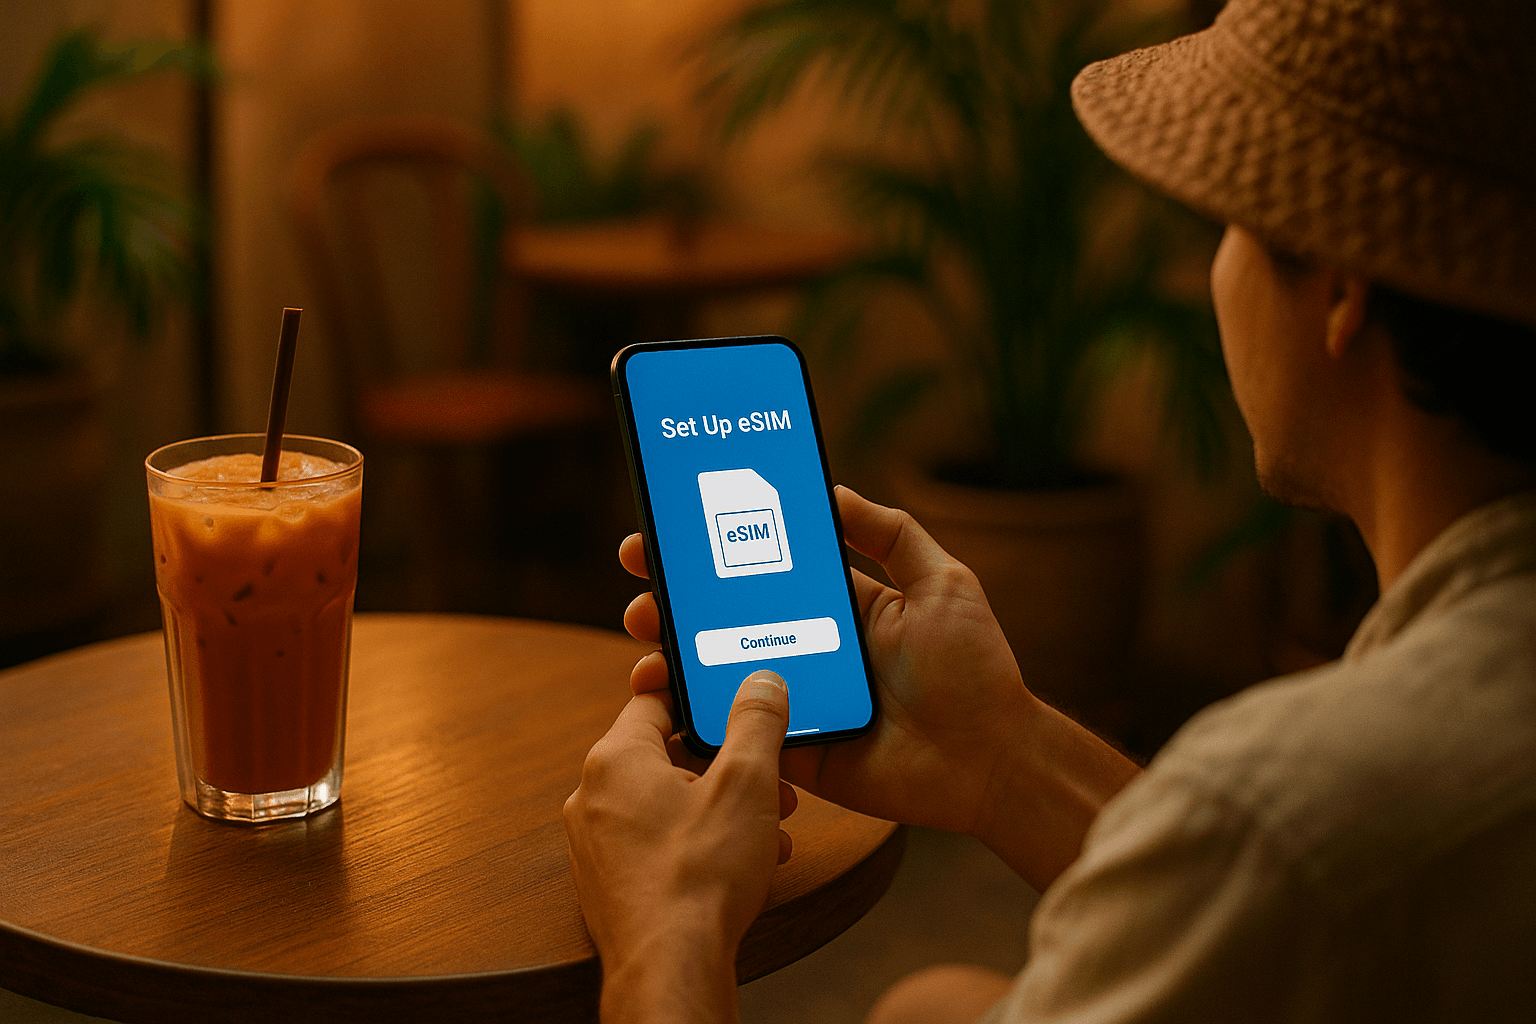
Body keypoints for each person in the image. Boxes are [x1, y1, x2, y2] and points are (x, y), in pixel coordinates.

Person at [562, 0, 1536, 1020]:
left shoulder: (1303, 818)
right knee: (929, 1005)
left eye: (1227, 224)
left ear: (1341, 288)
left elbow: (1272, 855)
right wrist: (1004, 751)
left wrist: (664, 930)